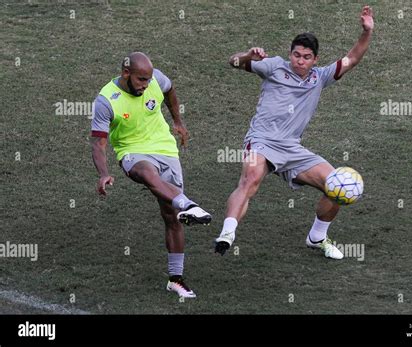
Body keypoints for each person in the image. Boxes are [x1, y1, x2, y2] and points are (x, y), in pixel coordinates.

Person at [214, 6, 374, 258]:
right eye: (296, 55)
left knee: (337, 186)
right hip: (262, 141)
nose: (299, 60)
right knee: (250, 179)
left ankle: (317, 237)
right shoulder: (274, 66)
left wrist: (366, 31)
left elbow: (352, 58)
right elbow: (232, 62)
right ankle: (227, 233)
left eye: (306, 57)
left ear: (315, 60)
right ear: (290, 54)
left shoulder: (320, 78)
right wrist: (248, 55)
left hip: (292, 148)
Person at [91, 52, 211, 298]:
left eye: (148, 80)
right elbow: (98, 144)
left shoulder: (156, 79)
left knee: (172, 216)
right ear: (126, 74)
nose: (146, 85)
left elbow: (169, 90)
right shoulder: (106, 100)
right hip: (132, 152)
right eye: (141, 80)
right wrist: (103, 174)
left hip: (165, 148)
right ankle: (188, 203)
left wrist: (178, 121)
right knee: (148, 174)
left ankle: (175, 279)